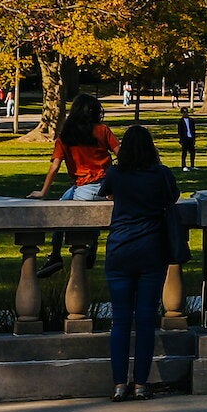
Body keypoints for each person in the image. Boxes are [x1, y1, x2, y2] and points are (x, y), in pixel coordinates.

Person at [102, 125, 182, 402]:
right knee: (146, 319)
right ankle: (140, 383)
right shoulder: (160, 174)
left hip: (120, 249)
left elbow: (105, 192)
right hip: (151, 250)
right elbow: (173, 197)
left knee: (121, 320)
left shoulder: (116, 174)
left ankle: (118, 384)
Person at [31, 94, 120, 277]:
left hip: (83, 188)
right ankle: (92, 245)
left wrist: (43, 192)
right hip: (108, 188)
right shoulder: (103, 131)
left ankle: (55, 255)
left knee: (60, 212)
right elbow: (123, 154)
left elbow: (55, 166)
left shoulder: (66, 137)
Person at [176, 107, 197, 171]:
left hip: (190, 138)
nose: (186, 113)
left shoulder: (191, 120)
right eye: (184, 112)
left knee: (192, 152)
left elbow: (193, 130)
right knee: (184, 153)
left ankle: (192, 166)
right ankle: (184, 166)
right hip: (184, 139)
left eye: (186, 112)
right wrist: (181, 139)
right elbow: (180, 131)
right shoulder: (180, 121)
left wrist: (194, 139)